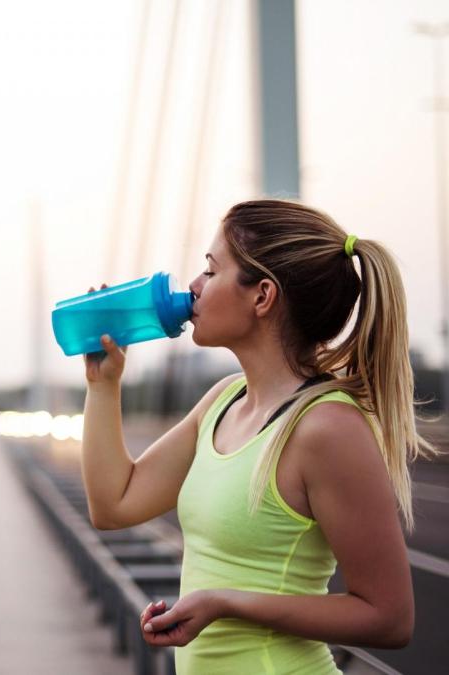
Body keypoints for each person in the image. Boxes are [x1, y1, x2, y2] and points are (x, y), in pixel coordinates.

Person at [79, 199, 432, 673]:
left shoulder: (326, 428)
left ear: (262, 296)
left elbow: (390, 618)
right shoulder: (224, 400)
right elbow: (113, 505)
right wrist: (104, 386)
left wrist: (226, 603)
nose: (194, 286)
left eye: (210, 269)